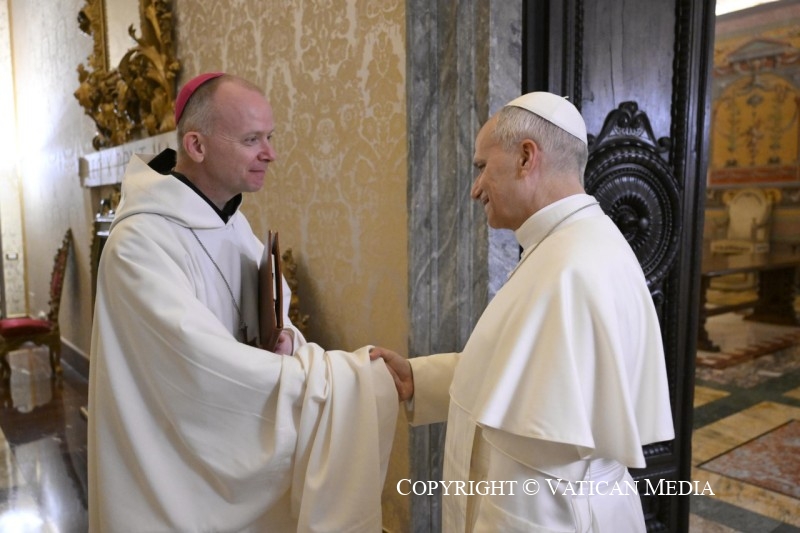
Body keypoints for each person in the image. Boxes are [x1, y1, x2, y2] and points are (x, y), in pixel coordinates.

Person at [88, 72, 398, 532]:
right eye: (252, 139)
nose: (270, 153)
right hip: (172, 476)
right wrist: (339, 380)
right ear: (196, 145)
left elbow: (274, 320)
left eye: (270, 137)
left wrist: (286, 344)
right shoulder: (140, 243)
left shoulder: (232, 223)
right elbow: (199, 366)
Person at [371, 92, 674, 531]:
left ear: (526, 157)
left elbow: (541, 458)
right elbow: (524, 371)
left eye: (482, 166)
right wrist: (418, 379)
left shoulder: (573, 266)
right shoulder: (565, 245)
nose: (475, 188)